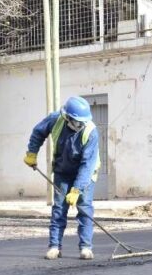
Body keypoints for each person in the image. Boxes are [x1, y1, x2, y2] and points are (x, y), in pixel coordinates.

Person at [24, 97, 101, 260]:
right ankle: (54, 246)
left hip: (86, 174)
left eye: (82, 123)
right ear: (67, 118)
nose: (79, 126)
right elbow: (38, 132)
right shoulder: (55, 119)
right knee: (59, 208)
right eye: (76, 122)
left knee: (84, 209)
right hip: (62, 171)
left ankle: (86, 247)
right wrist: (32, 153)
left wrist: (77, 189)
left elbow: (87, 165)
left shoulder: (91, 132)